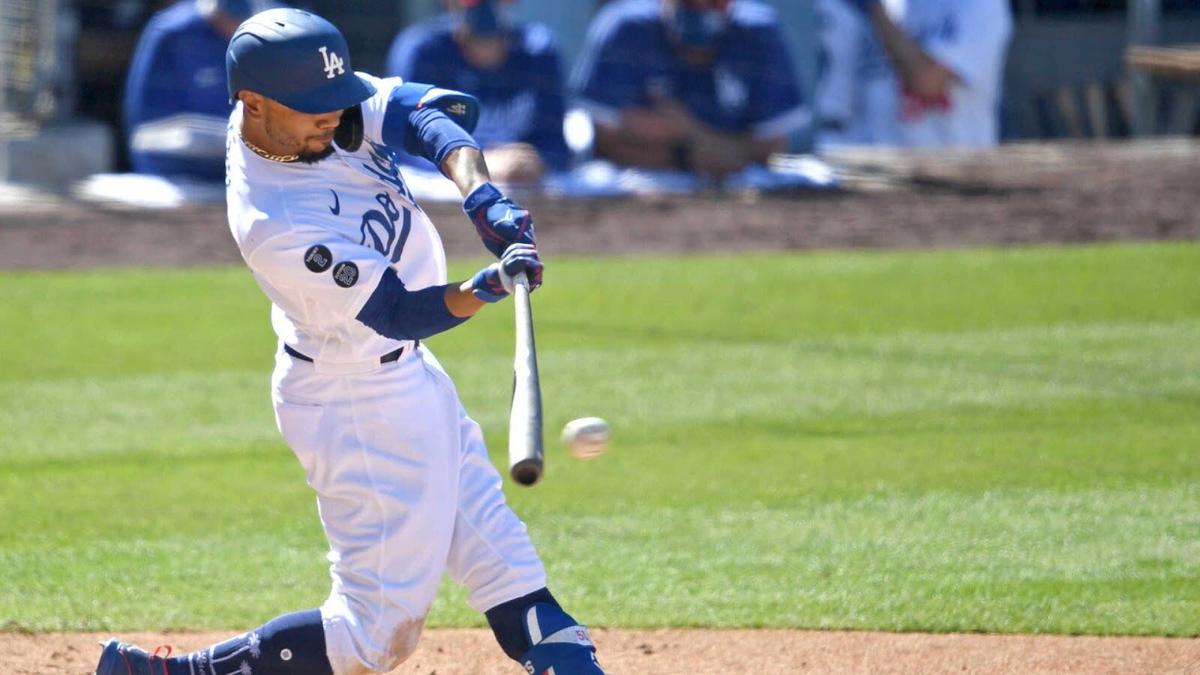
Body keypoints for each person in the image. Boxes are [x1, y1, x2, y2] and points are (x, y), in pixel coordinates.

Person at [95, 8, 604, 675]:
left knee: (497, 553)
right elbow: (397, 312)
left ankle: (565, 657)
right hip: (354, 401)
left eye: (333, 102)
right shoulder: (274, 221)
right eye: (313, 109)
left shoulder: (311, 103)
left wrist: (482, 197)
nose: (332, 118)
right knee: (376, 633)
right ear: (252, 105)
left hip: (406, 379)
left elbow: (425, 114)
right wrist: (484, 287)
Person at [570, 0, 808, 181]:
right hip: (636, 187)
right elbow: (604, 142)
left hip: (733, 190)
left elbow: (770, 144)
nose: (702, 6)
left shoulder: (759, 31)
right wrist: (689, 158)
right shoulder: (624, 27)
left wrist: (687, 131)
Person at [386, 0, 569, 184]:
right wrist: (474, 163)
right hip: (443, 194)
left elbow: (556, 147)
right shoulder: (422, 51)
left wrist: (536, 162)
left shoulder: (539, 51)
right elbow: (403, 150)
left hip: (524, 189)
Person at [816, 0, 1013, 148]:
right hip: (877, 174)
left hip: (952, 175)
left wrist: (875, 11)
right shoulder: (880, 6)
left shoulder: (978, 5)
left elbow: (927, 82)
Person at [123, 0, 269, 181]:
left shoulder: (281, 30)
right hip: (184, 179)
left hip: (259, 182)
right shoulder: (173, 33)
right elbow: (144, 131)